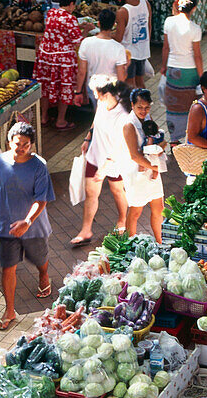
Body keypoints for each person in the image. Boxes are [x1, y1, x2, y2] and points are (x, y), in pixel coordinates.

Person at [0, 122, 55, 330]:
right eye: (17, 143)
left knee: (40, 259)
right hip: (7, 227)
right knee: (8, 267)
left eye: (26, 144)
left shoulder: (39, 166)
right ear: (8, 142)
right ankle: (10, 309)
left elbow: (42, 200)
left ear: (32, 145)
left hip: (35, 226)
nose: (21, 147)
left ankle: (43, 274)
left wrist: (27, 221)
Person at [72, 77, 130, 246]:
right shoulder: (102, 104)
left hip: (114, 159)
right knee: (91, 193)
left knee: (117, 191)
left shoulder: (123, 114)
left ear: (106, 93)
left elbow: (121, 144)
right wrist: (88, 138)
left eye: (96, 94)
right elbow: (95, 122)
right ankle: (86, 230)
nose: (95, 97)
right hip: (96, 153)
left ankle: (122, 221)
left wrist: (105, 167)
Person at [122, 88, 166, 242]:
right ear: (132, 105)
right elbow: (134, 155)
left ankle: (160, 242)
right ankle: (129, 245)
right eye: (139, 107)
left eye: (147, 107)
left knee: (159, 208)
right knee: (135, 212)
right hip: (136, 173)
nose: (143, 111)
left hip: (151, 167)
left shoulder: (147, 117)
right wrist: (154, 167)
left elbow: (154, 136)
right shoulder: (129, 125)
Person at [33, 0, 84, 130]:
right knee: (63, 89)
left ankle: (43, 117)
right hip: (63, 59)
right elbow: (78, 41)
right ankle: (60, 121)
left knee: (45, 86)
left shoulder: (51, 13)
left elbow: (59, 31)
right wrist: (87, 29)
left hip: (46, 56)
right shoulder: (70, 18)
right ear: (71, 3)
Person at [161, 0, 203, 143]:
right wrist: (201, 75)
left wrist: (163, 66)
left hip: (173, 70)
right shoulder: (195, 29)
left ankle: (174, 139)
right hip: (190, 72)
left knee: (174, 106)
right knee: (191, 105)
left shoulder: (168, 22)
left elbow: (165, 48)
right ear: (194, 9)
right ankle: (191, 137)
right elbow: (197, 55)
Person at [75, 9, 129, 107]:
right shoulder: (119, 48)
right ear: (113, 25)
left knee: (97, 113)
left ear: (98, 24)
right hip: (111, 89)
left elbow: (81, 72)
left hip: (92, 87)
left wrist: (78, 92)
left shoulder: (86, 43)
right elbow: (121, 76)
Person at [115, 0, 151, 88]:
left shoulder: (122, 12)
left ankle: (135, 101)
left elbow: (118, 38)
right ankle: (145, 101)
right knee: (140, 82)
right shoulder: (145, 3)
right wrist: (145, 43)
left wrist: (105, 34)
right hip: (142, 51)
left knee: (130, 84)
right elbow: (149, 27)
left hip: (128, 54)